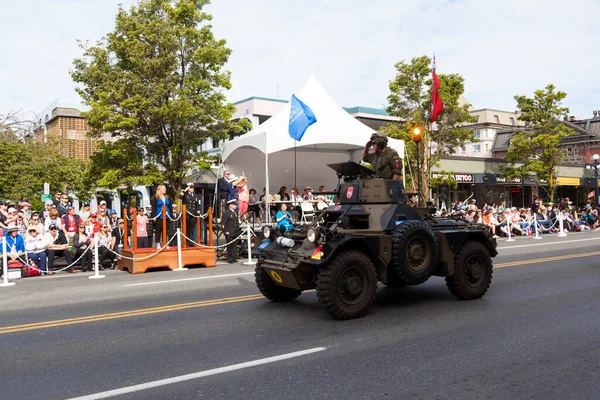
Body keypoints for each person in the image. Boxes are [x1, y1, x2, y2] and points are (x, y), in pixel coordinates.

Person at [221, 199, 239, 263]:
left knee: (234, 245)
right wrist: (225, 231)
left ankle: (234, 257)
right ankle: (230, 258)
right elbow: (223, 223)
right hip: (229, 231)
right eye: (234, 205)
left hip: (235, 231)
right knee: (230, 246)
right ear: (230, 205)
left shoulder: (235, 212)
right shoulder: (227, 212)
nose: (235, 206)